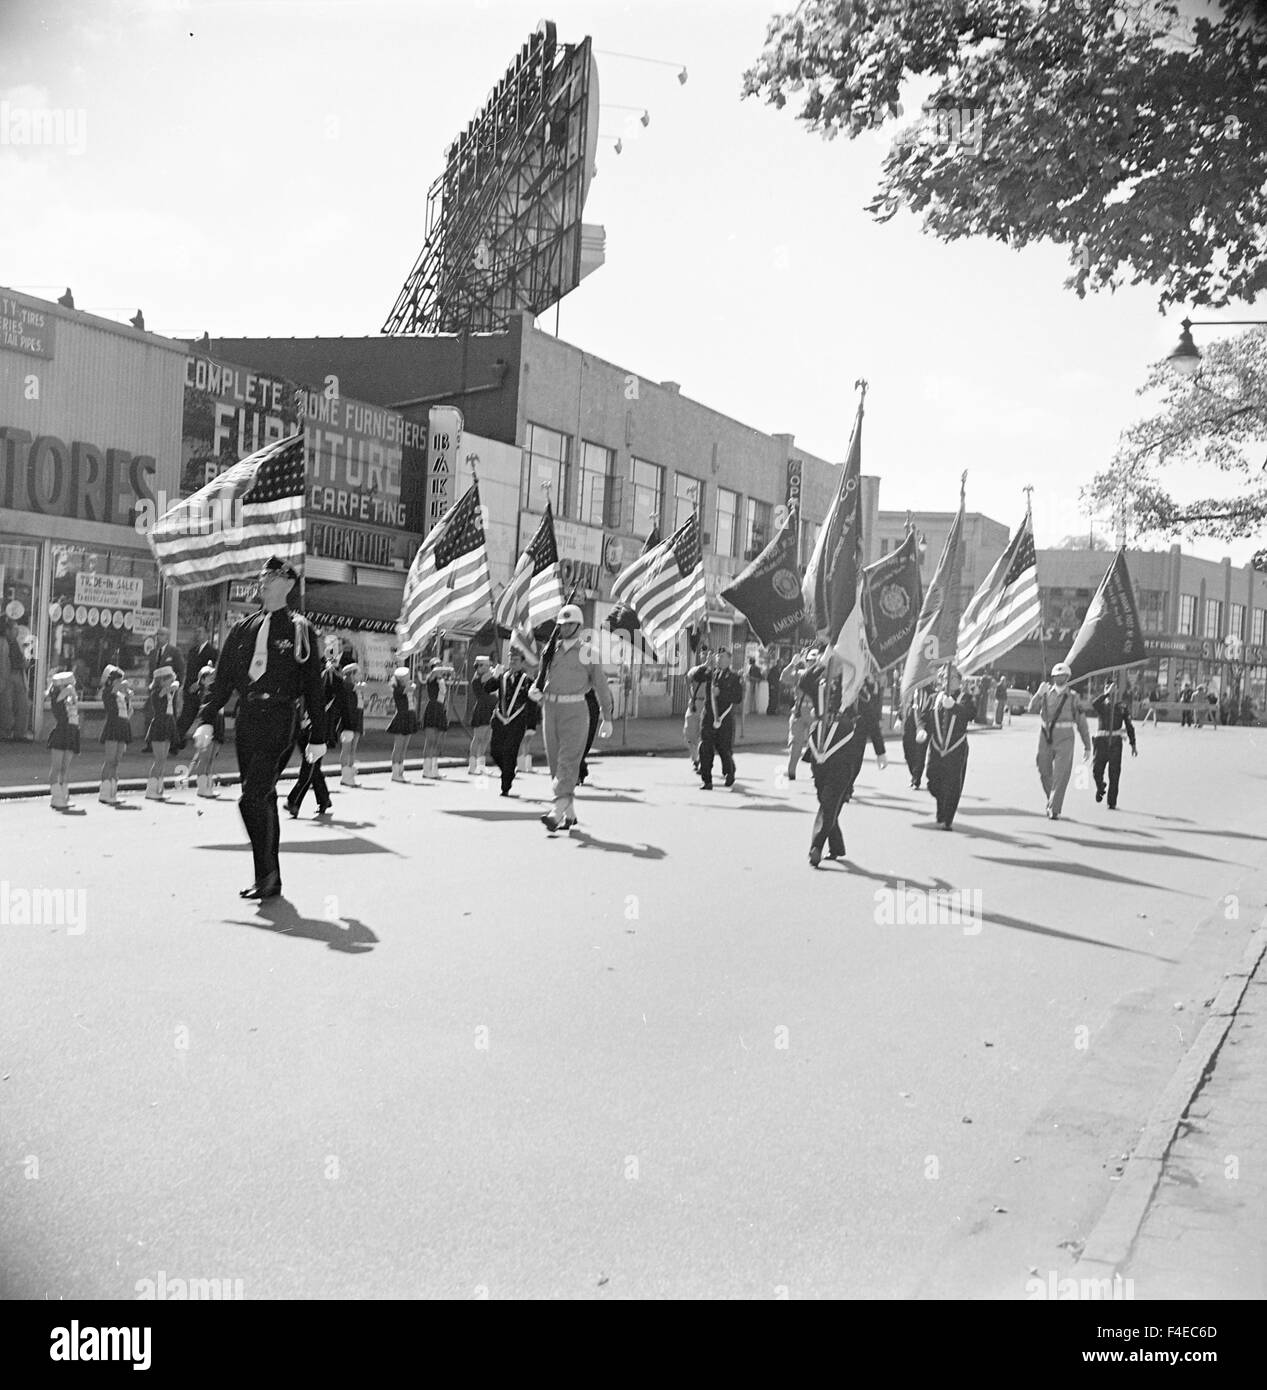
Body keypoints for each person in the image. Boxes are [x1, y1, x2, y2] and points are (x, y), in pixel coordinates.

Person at [192, 556, 326, 900]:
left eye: (271, 577)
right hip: (248, 716)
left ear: (288, 584)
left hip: (280, 717)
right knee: (263, 797)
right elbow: (222, 681)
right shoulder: (243, 628)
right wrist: (207, 718)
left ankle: (267, 874)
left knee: (251, 797)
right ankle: (268, 877)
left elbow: (313, 684)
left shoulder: (299, 628)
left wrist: (318, 735)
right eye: (262, 577)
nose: (263, 581)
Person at [527, 603, 613, 832]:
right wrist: (534, 690)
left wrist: (607, 716)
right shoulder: (550, 650)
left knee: (567, 761)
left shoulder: (588, 652)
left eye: (569, 625)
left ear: (579, 626)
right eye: (561, 625)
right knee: (555, 764)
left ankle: (556, 813)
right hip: (550, 709)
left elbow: (602, 687)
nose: (564, 629)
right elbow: (540, 678)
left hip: (575, 710)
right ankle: (570, 813)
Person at [798, 650, 857, 867]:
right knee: (825, 799)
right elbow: (803, 681)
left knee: (830, 799)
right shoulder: (820, 679)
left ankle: (816, 846)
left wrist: (879, 750)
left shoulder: (853, 680)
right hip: (820, 747)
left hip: (842, 748)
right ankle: (837, 845)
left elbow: (867, 714)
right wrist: (821, 664)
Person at [287, 654, 349, 818]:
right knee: (313, 768)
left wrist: (331, 667)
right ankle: (324, 799)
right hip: (301, 727)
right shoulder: (300, 678)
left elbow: (340, 694)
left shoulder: (327, 678)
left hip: (318, 729)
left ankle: (294, 801)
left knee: (309, 766)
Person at [1028, 662, 1091, 820]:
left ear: (1068, 677)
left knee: (1060, 774)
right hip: (1046, 736)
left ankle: (1054, 808)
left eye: (1063, 676)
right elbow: (1030, 708)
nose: (1059, 678)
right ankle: (1052, 799)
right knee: (1044, 770)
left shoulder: (1073, 697)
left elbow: (1082, 723)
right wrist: (1038, 693)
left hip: (1065, 739)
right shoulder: (1045, 693)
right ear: (1053, 677)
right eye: (1057, 676)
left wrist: (1087, 745)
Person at [918, 666, 975, 829]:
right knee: (933, 780)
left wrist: (955, 707)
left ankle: (947, 818)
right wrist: (921, 729)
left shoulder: (965, 698)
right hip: (937, 747)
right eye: (944, 678)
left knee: (952, 785)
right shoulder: (934, 698)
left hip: (956, 748)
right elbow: (923, 717)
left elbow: (971, 714)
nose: (947, 681)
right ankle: (942, 806)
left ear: (958, 681)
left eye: (951, 678)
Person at [689, 646, 744, 791]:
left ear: (729, 659)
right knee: (705, 748)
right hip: (708, 717)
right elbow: (695, 677)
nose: (720, 659)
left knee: (724, 749)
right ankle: (707, 780)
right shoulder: (710, 673)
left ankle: (729, 772)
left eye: (723, 657)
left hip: (724, 718)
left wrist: (721, 693)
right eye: (718, 657)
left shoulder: (734, 677)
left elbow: (738, 698)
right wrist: (705, 664)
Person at [486, 646, 537, 796]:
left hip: (517, 722)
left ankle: (505, 785)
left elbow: (532, 703)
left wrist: (531, 725)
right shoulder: (502, 677)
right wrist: (494, 676)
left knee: (509, 752)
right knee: (495, 752)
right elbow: (487, 689)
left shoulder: (527, 680)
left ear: (522, 663)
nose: (512, 662)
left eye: (515, 660)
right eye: (510, 659)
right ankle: (508, 771)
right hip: (500, 720)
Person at [839, 674, 888, 803]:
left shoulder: (868, 692)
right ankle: (844, 789)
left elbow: (872, 720)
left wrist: (880, 752)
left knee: (855, 765)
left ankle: (847, 787)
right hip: (840, 732)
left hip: (859, 734)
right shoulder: (842, 682)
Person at [1090, 680, 1137, 810]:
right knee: (1096, 770)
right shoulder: (1102, 704)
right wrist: (1106, 694)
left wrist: (1133, 743)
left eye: (1113, 688)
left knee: (1114, 773)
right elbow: (1094, 704)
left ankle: (1112, 802)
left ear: (1117, 690)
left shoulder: (1122, 707)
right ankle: (1100, 786)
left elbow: (1129, 725)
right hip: (1101, 741)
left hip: (1115, 742)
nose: (1111, 690)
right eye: (1108, 687)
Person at [784, 645, 821, 782]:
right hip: (799, 713)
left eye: (814, 661)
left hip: (815, 714)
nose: (812, 664)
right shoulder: (800, 674)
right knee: (795, 745)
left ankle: (816, 772)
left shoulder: (822, 675)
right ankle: (791, 772)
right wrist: (792, 664)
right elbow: (784, 678)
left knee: (816, 746)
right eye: (810, 661)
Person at [98, 664, 133, 805]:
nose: (120, 683)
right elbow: (111, 694)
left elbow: (129, 713)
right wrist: (121, 686)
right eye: (117, 680)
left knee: (117, 761)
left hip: (122, 727)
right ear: (111, 681)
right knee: (110, 760)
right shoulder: (107, 692)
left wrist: (128, 698)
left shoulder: (121, 694)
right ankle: (104, 792)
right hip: (112, 727)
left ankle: (113, 791)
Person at [177, 623, 218, 745]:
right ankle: (176, 741)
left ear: (206, 634)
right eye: (196, 632)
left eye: (200, 632)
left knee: (205, 718)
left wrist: (198, 683)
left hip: (203, 691)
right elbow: (189, 670)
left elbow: (210, 671)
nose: (197, 634)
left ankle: (210, 743)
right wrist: (185, 685)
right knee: (186, 716)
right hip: (189, 689)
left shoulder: (212, 652)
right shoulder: (192, 651)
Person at [46, 670, 81, 811]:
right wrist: (68, 689)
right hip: (61, 732)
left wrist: (72, 693)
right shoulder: (57, 696)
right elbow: (63, 693)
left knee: (65, 768)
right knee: (57, 767)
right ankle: (56, 797)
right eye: (71, 682)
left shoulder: (69, 697)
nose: (73, 685)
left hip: (72, 732)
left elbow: (72, 697)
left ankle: (64, 795)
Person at [145, 665, 181, 801]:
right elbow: (173, 686)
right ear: (161, 680)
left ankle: (159, 790)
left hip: (168, 724)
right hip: (159, 725)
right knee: (159, 759)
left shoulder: (168, 691)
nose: (172, 682)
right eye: (168, 679)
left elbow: (176, 684)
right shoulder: (157, 692)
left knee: (163, 760)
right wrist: (172, 684)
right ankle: (151, 790)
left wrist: (174, 681)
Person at [188, 665, 223, 799]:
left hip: (217, 724)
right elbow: (204, 713)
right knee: (205, 758)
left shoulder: (216, 692)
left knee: (211, 759)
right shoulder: (205, 693)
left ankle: (208, 786)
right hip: (207, 726)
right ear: (202, 680)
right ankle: (202, 787)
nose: (213, 679)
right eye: (210, 677)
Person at [1, 618, 32, 740]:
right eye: (14, 629)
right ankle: (5, 732)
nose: (17, 632)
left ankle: (20, 732)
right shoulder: (3, 642)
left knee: (22, 704)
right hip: (6, 675)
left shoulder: (16, 642)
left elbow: (23, 659)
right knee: (6, 705)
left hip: (18, 674)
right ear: (7, 630)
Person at [386, 666, 417, 782]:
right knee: (398, 746)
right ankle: (395, 772)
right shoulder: (397, 689)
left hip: (409, 716)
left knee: (404, 747)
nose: (408, 678)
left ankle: (400, 771)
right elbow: (410, 688)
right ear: (401, 679)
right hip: (401, 717)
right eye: (406, 676)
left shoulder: (406, 687)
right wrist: (411, 685)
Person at [902, 684, 936, 789]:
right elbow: (905, 704)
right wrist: (899, 717)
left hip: (925, 725)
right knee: (908, 750)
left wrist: (923, 726)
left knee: (920, 753)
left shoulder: (931, 693)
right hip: (910, 724)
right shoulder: (911, 690)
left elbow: (930, 711)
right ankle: (914, 772)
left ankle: (916, 779)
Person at [467, 655, 495, 775]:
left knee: (486, 738)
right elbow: (485, 678)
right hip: (482, 710)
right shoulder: (477, 678)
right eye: (487, 665)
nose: (489, 667)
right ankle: (472, 766)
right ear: (479, 666)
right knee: (478, 738)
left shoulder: (488, 676)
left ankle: (481, 765)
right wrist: (495, 671)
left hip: (491, 709)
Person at [338, 663, 364, 787]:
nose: (360, 676)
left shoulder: (356, 687)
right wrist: (358, 686)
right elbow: (353, 688)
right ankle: (345, 776)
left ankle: (350, 776)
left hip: (357, 721)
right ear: (351, 674)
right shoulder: (345, 685)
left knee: (353, 749)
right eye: (357, 673)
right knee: (346, 749)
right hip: (347, 721)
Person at [420, 667, 449, 778]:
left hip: (440, 708)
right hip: (433, 708)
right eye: (437, 666)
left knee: (437, 742)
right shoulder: (431, 679)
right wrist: (443, 669)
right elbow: (434, 672)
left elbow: (443, 695)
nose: (440, 669)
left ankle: (434, 768)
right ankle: (426, 770)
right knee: (430, 741)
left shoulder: (440, 680)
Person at [683, 646, 708, 773]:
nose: (705, 656)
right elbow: (688, 678)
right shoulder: (695, 670)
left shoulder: (713, 672)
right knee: (690, 734)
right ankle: (695, 759)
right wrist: (691, 698)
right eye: (703, 654)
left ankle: (703, 762)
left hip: (707, 705)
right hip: (695, 703)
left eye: (707, 654)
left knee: (705, 736)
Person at [577, 686, 601, 786]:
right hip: (577, 708)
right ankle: (578, 772)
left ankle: (580, 771)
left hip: (591, 708)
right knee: (578, 743)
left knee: (586, 742)